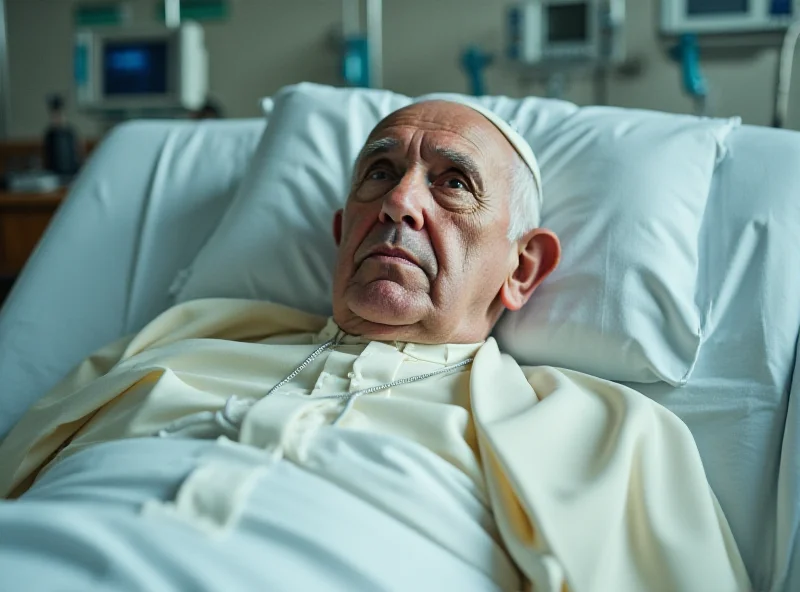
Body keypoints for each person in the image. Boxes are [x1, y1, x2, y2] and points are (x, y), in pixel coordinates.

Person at [0, 101, 750, 591]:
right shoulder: (183, 339)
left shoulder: (607, 436)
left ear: (522, 268)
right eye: (380, 173)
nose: (399, 201)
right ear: (341, 235)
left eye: (452, 183)